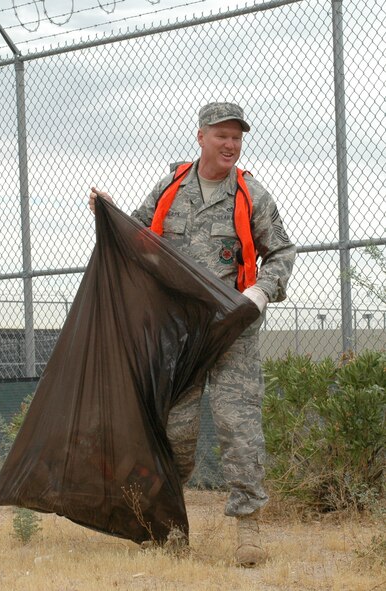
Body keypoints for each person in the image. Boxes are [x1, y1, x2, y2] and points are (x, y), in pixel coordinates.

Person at [89, 102, 296, 567]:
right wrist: (106, 213)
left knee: (238, 428)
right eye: (221, 136)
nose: (230, 145)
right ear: (200, 137)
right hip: (178, 331)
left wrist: (260, 294)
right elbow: (137, 232)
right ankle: (170, 525)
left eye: (237, 137)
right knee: (175, 435)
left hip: (231, 330)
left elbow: (280, 252)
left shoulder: (251, 195)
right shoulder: (170, 188)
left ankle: (249, 531)